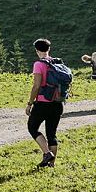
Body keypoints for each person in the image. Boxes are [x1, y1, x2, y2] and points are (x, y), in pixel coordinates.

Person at [28, 38, 67, 167]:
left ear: (37, 50)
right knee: (52, 133)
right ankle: (52, 164)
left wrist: (30, 103)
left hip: (43, 103)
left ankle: (46, 153)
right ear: (48, 49)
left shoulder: (39, 64)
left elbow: (36, 85)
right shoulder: (57, 63)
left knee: (32, 127)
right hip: (57, 103)